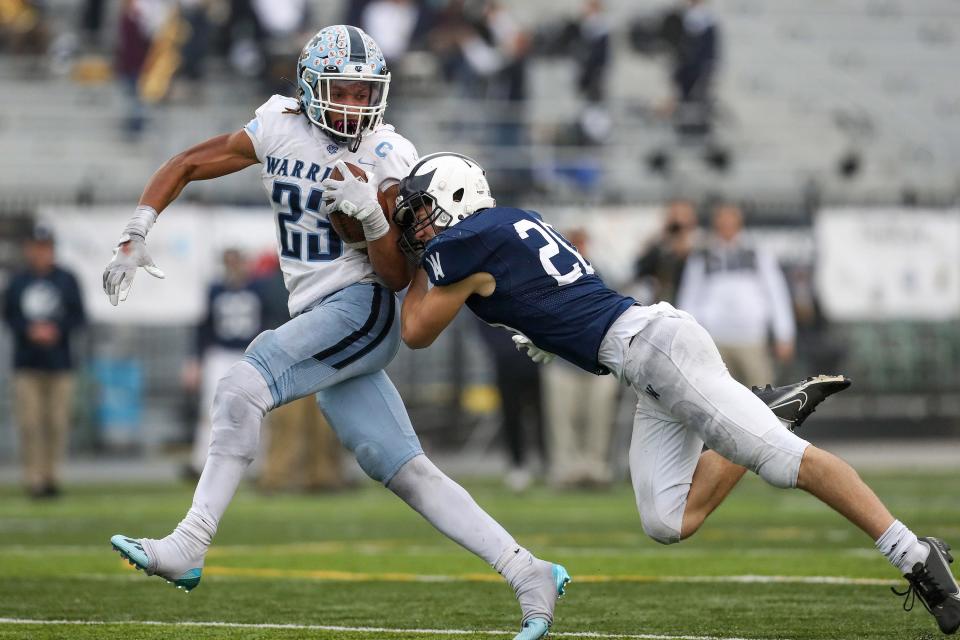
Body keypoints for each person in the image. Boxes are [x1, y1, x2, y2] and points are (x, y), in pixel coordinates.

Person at [104, 26, 568, 640]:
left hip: (362, 306)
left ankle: (190, 543)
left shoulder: (391, 156)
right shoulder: (277, 125)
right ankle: (527, 571)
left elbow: (400, 274)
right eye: (341, 91)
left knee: (243, 384)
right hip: (317, 313)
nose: (352, 105)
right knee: (404, 469)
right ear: (310, 87)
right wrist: (137, 232)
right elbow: (187, 163)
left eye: (362, 93)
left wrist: (377, 215)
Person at [370, 151, 958, 636]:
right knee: (665, 519)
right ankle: (767, 410)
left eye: (423, 211)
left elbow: (417, 330)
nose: (418, 226)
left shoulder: (467, 238)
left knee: (784, 463)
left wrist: (378, 235)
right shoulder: (507, 224)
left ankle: (912, 552)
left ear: (456, 198)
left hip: (655, 349)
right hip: (644, 357)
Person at [3, 223, 86, 499]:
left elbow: (78, 316)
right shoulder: (18, 280)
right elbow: (10, 315)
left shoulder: (66, 279)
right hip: (27, 362)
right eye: (36, 248)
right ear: (29, 250)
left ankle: (52, 475)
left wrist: (56, 330)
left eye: (45, 248)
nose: (41, 253)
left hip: (59, 362)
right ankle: (33, 477)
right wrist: (30, 329)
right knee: (30, 422)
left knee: (57, 422)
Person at [677, 203, 795, 387]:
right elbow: (689, 296)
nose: (726, 227)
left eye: (730, 221)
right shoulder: (703, 256)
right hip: (714, 340)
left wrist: (784, 334)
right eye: (722, 222)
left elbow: (776, 293)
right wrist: (687, 336)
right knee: (716, 396)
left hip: (751, 337)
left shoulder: (756, 253)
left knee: (763, 394)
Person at [181, 248, 265, 478]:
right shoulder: (215, 289)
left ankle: (255, 465)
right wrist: (195, 361)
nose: (234, 268)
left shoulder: (257, 289)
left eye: (237, 263)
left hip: (249, 353)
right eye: (230, 264)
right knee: (211, 408)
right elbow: (204, 325)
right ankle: (201, 462)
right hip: (219, 353)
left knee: (254, 408)